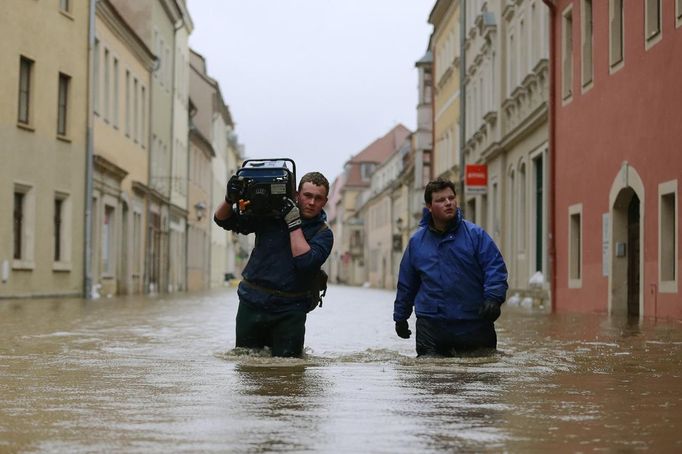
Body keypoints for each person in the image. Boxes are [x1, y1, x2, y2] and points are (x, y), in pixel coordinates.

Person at [214, 171, 333, 357]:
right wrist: (230, 199)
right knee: (246, 367)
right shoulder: (269, 214)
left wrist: (293, 222)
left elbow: (305, 262)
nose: (311, 202)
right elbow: (222, 220)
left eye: (318, 198)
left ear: (324, 202)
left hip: (291, 311)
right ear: (296, 195)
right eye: (307, 196)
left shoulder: (323, 233)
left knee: (288, 373)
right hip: (252, 303)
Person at [393, 178, 508, 356]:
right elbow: (407, 283)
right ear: (429, 207)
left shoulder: (475, 236)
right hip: (432, 327)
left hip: (473, 323)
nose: (448, 203)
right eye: (441, 200)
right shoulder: (417, 242)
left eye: (451, 198)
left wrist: (493, 298)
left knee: (481, 377)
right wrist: (401, 317)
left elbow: (495, 268)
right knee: (431, 377)